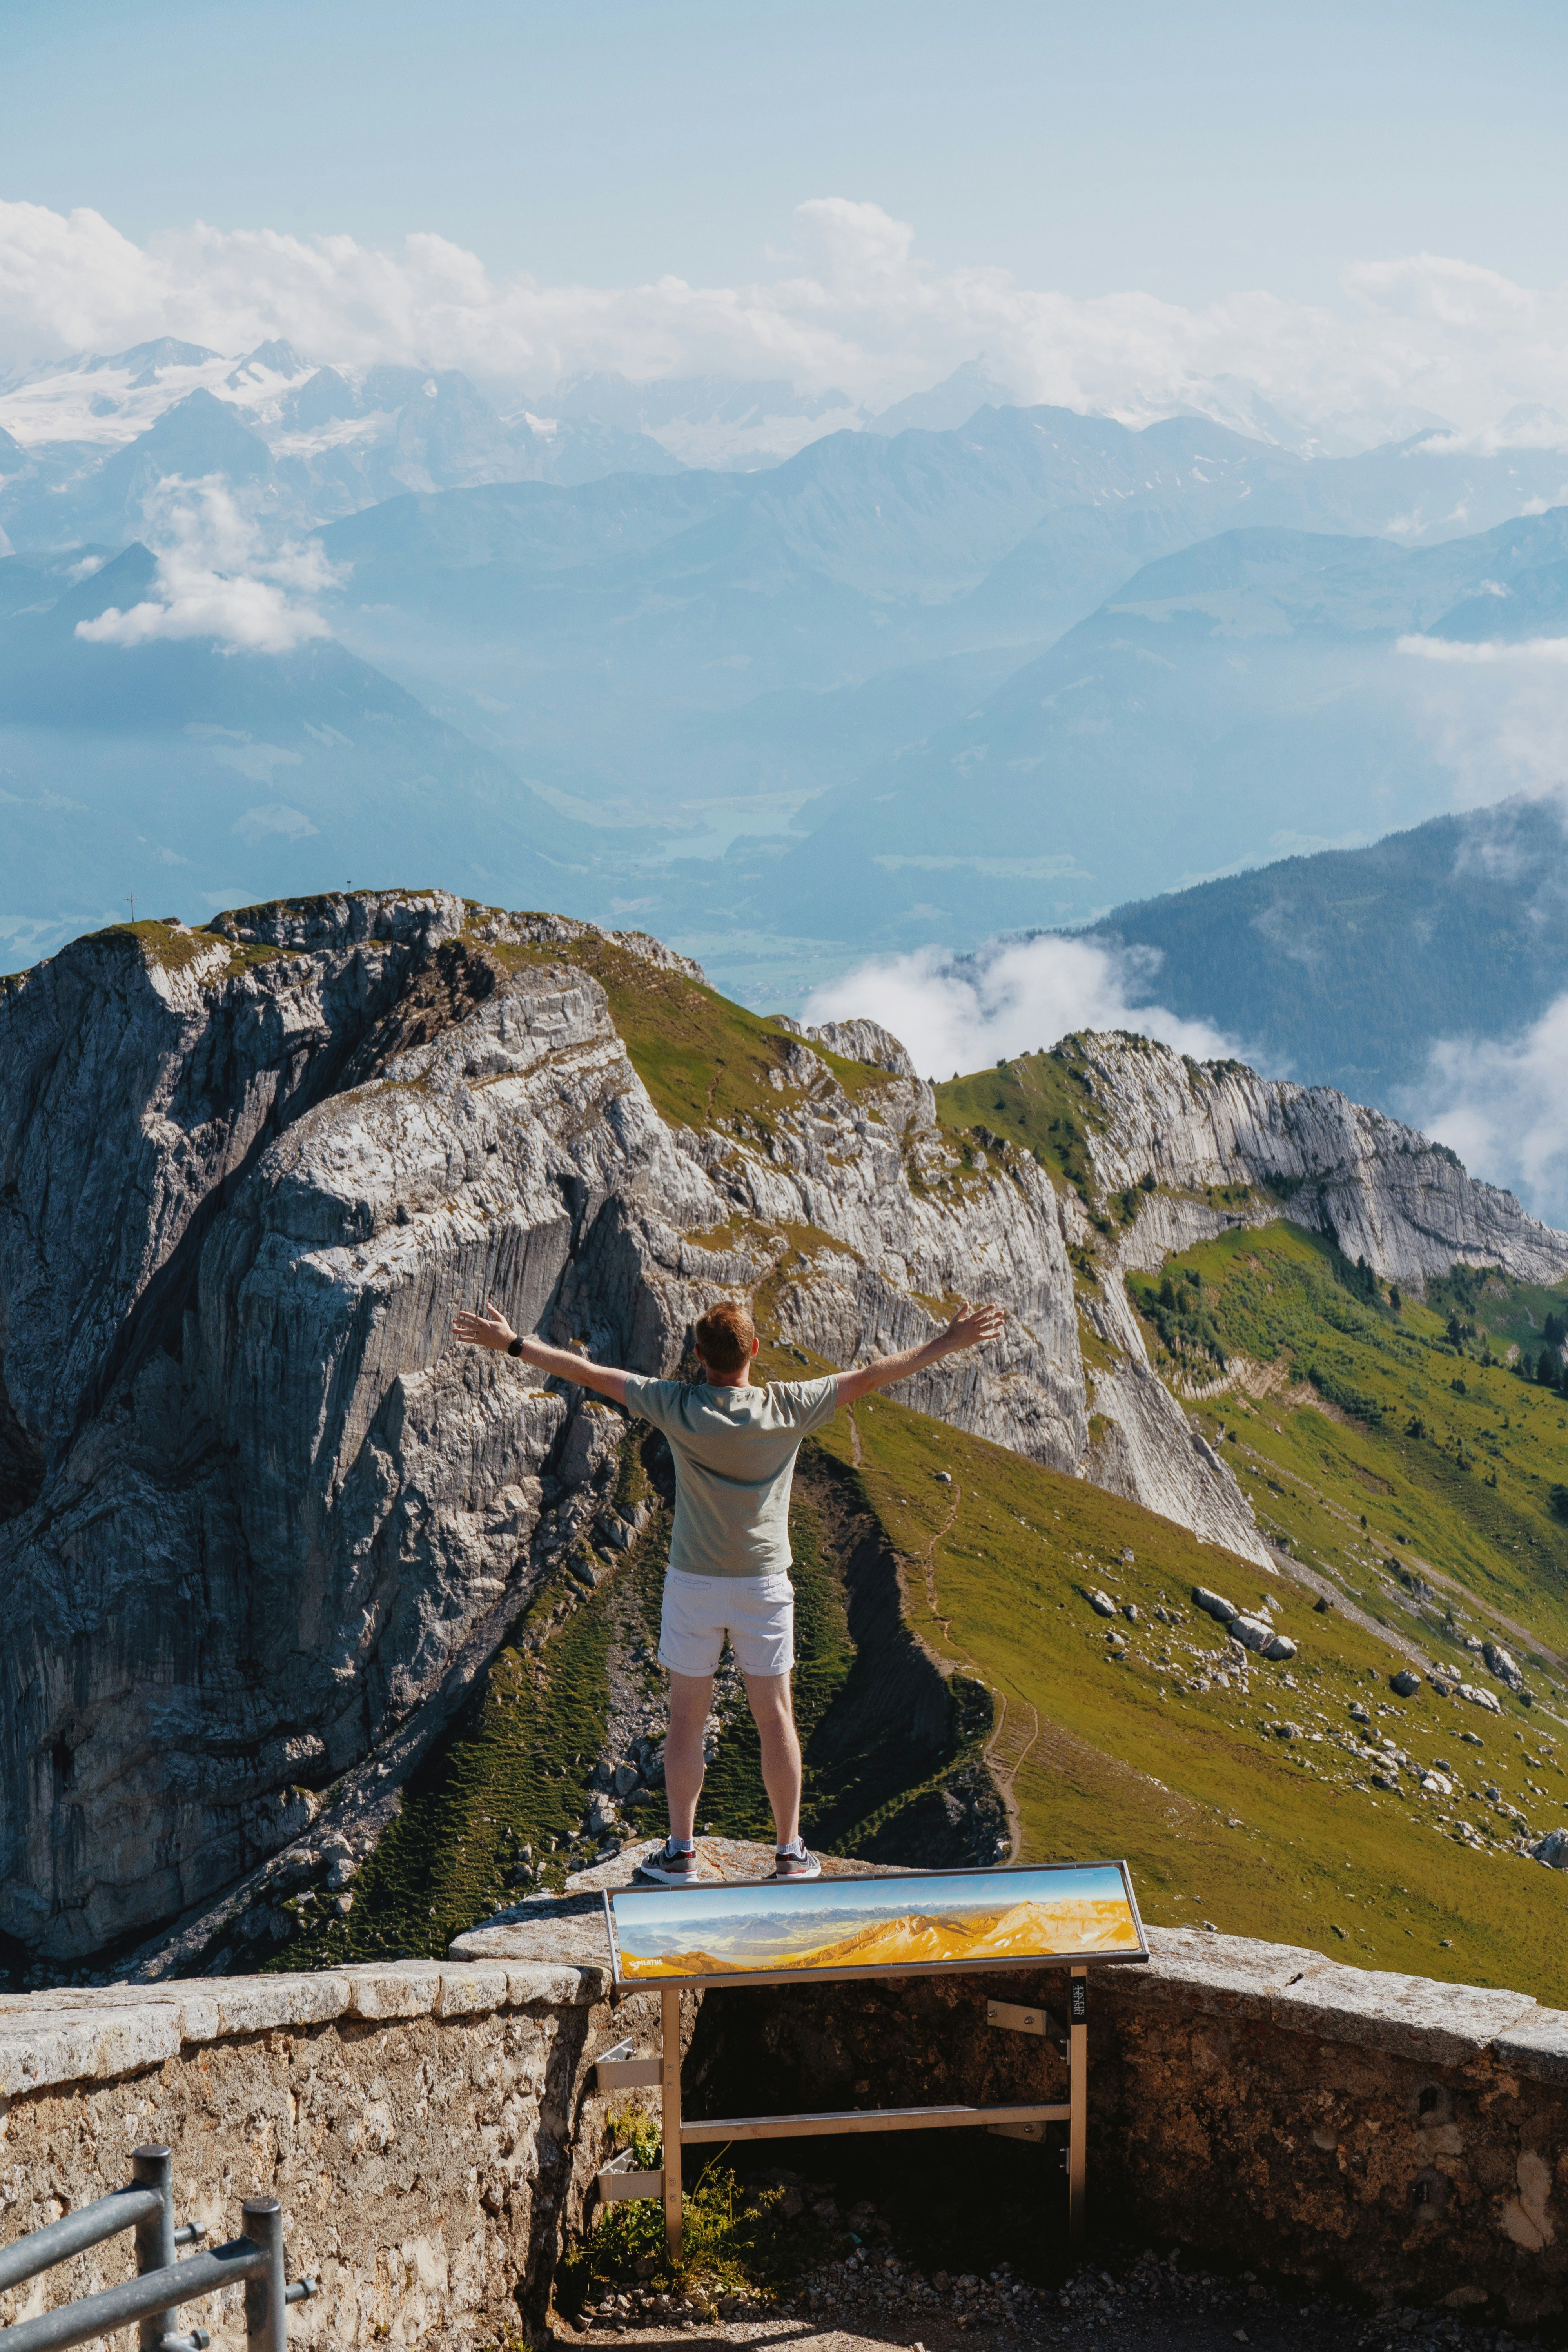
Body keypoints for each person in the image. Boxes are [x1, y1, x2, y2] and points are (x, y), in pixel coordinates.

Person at [452, 1290, 1005, 1884]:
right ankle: (790, 1852)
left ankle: (681, 1853)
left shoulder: (677, 1405)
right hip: (764, 1585)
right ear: (755, 1351)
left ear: (698, 1356)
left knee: (687, 1721)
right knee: (776, 1718)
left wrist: (512, 1342)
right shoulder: (787, 1407)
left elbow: (587, 1372)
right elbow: (871, 1376)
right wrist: (949, 1341)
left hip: (694, 1583)